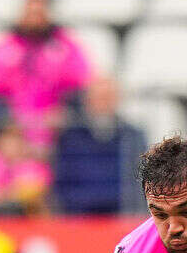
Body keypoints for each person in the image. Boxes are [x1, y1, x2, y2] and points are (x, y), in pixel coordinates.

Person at [0, 0, 90, 154]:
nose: (34, 19)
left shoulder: (66, 46)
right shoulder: (5, 46)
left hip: (56, 127)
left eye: (39, 14)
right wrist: (10, 118)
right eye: (30, 13)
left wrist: (61, 110)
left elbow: (80, 82)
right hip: (11, 127)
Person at [52, 76, 146, 216]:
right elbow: (62, 183)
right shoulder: (71, 137)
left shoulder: (132, 136)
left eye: (108, 97)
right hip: (80, 217)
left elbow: (139, 182)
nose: (104, 103)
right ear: (87, 101)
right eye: (99, 98)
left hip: (121, 216)